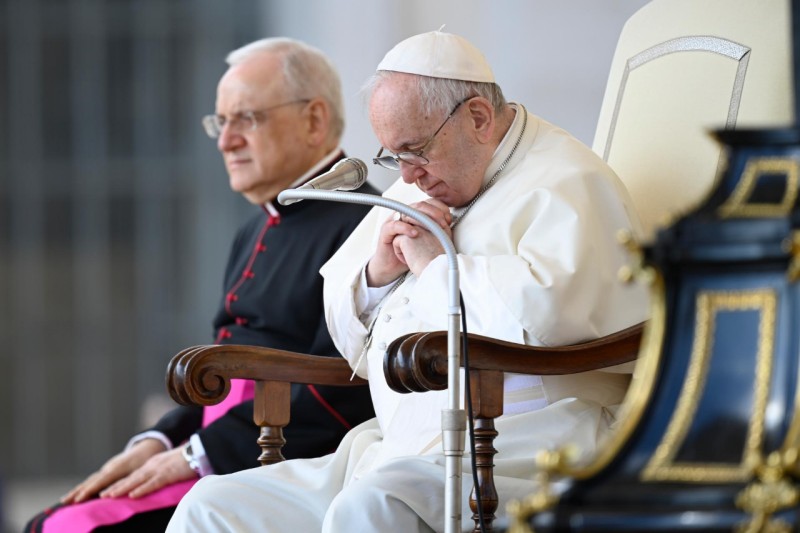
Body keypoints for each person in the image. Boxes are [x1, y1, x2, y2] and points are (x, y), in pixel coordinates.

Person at [167, 30, 649, 532]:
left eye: (415, 151)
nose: (408, 176)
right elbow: (347, 327)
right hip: (397, 446)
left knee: (373, 504)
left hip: (521, 444)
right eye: (393, 156)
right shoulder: (423, 175)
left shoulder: (567, 180)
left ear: (478, 118)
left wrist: (435, 268)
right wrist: (378, 272)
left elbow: (550, 318)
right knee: (213, 504)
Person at [25, 37, 377, 533]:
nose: (225, 140)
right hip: (219, 448)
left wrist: (198, 454)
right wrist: (158, 441)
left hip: (274, 464)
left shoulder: (365, 225)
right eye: (220, 121)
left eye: (246, 119)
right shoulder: (253, 230)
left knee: (72, 528)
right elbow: (221, 376)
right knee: (56, 517)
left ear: (314, 120)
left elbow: (341, 392)